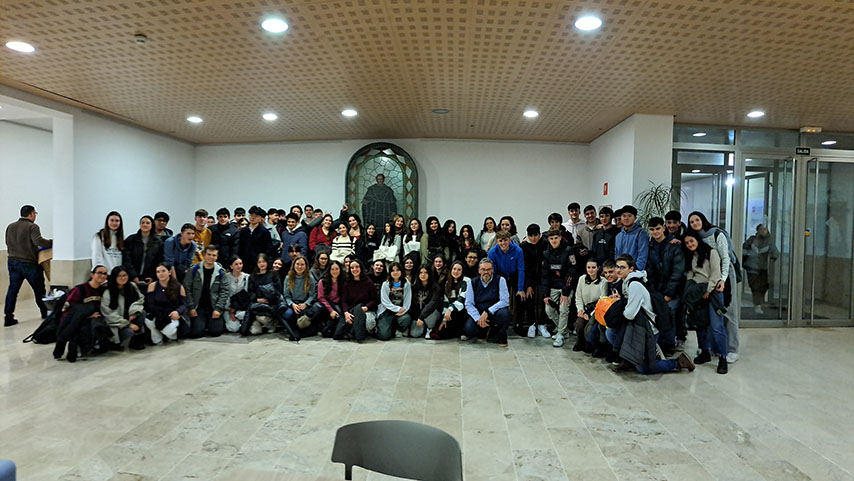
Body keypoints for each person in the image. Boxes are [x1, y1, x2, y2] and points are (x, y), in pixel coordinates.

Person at [608, 255, 695, 374]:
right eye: (617, 266)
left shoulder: (634, 285)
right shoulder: (627, 282)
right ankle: (628, 360)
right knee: (611, 332)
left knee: (645, 368)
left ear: (631, 269)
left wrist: (620, 308)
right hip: (638, 326)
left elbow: (629, 314)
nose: (619, 270)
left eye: (623, 267)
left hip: (647, 329)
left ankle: (678, 362)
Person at [688, 211, 740, 363]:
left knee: (728, 312)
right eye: (691, 222)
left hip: (724, 277)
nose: (695, 223)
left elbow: (726, 258)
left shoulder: (717, 234)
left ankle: (732, 349)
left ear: (703, 220)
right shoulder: (696, 237)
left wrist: (722, 279)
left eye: (697, 220)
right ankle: (711, 347)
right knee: (710, 315)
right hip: (708, 278)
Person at [683, 231, 727, 374]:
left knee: (716, 326)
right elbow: (690, 273)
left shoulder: (711, 252)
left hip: (712, 292)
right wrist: (690, 288)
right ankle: (704, 351)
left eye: (691, 241)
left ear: (698, 240)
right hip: (697, 293)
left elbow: (716, 274)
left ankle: (722, 358)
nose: (690, 244)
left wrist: (707, 290)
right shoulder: (691, 256)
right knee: (700, 324)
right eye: (687, 243)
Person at [4, 204, 52, 325]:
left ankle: (8, 317)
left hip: (12, 262)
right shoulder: (33, 227)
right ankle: (44, 313)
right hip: (29, 263)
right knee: (39, 289)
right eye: (35, 213)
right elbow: (38, 241)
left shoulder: (10, 226)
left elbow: (7, 242)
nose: (35, 216)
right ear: (31, 214)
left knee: (13, 290)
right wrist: (52, 242)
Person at [53, 265, 108, 362]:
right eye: (99, 273)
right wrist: (87, 315)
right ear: (92, 274)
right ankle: (68, 347)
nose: (102, 276)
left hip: (90, 318)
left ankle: (70, 346)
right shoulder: (80, 289)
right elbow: (68, 308)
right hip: (72, 318)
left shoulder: (103, 290)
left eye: (104, 274)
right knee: (77, 323)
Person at [646, 217, 686, 347]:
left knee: (672, 314)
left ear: (663, 228)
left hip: (673, 290)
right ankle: (664, 343)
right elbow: (650, 270)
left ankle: (675, 341)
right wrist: (652, 290)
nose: (655, 232)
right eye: (652, 230)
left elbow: (678, 271)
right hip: (657, 289)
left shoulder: (674, 245)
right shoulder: (650, 246)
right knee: (659, 315)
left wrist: (669, 292)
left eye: (658, 228)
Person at [541, 228, 579, 348]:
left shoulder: (569, 250)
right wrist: (545, 294)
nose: (553, 241)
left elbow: (572, 272)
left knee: (564, 309)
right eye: (551, 238)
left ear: (560, 237)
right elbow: (545, 275)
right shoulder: (546, 253)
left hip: (565, 286)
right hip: (552, 286)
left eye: (556, 238)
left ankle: (560, 334)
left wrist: (565, 291)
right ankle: (564, 329)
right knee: (549, 310)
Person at [183, 244, 229, 338]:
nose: (211, 257)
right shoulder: (194, 270)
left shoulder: (221, 272)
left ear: (217, 257)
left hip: (213, 306)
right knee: (197, 333)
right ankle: (202, 323)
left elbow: (224, 291)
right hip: (198, 306)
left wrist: (218, 309)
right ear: (204, 255)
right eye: (209, 254)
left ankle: (210, 322)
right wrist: (191, 307)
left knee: (216, 332)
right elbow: (186, 289)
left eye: (214, 255)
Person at [464, 258, 511, 347]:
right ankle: (483, 329)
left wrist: (488, 311)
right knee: (469, 328)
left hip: (495, 312)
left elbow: (505, 301)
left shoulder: (500, 280)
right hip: (479, 313)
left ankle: (499, 334)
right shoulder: (472, 283)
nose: (486, 272)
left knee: (505, 314)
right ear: (479, 271)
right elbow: (468, 303)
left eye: (489, 269)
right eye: (483, 270)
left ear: (492, 270)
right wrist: (478, 319)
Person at [488, 230, 525, 335]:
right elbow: (492, 271)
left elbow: (521, 270)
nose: (503, 243)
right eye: (500, 241)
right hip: (500, 274)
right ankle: (495, 325)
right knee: (496, 297)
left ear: (510, 240)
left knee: (521, 297)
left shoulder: (518, 250)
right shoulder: (492, 252)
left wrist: (521, 288)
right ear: (497, 241)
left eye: (505, 240)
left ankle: (519, 325)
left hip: (514, 274)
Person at [101, 266, 146, 350]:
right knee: (129, 331)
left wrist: (134, 311)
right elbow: (108, 314)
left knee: (142, 313)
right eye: (119, 276)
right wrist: (127, 323)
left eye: (125, 275)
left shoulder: (132, 286)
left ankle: (136, 340)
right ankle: (114, 343)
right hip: (117, 323)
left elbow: (140, 299)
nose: (123, 278)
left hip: (130, 316)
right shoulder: (108, 292)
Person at [144, 263, 190, 344]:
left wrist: (177, 312)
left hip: (171, 315)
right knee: (149, 321)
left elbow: (184, 304)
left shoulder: (179, 286)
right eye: (158, 272)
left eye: (163, 271)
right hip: (157, 314)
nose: (160, 274)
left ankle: (171, 336)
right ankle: (158, 340)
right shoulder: (152, 286)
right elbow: (150, 305)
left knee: (169, 331)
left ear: (169, 272)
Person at [335, 259, 377, 342]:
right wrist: (346, 313)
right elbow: (343, 301)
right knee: (337, 335)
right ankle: (353, 332)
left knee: (360, 310)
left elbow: (375, 299)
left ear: (361, 268)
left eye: (357, 267)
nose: (355, 270)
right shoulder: (347, 283)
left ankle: (359, 336)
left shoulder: (368, 282)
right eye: (352, 268)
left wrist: (367, 307)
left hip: (365, 310)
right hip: (351, 310)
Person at [243, 253, 284, 336]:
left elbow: (278, 291)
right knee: (255, 331)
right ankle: (258, 321)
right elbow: (250, 293)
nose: (261, 264)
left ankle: (271, 322)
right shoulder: (252, 277)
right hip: (257, 304)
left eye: (263, 262)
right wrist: (257, 299)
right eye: (259, 262)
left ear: (267, 262)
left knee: (264, 319)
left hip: (270, 304)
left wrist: (270, 297)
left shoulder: (273, 274)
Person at [743, 224, 779, 315]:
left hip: (763, 268)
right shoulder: (752, 239)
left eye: (765, 229)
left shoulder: (769, 241)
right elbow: (743, 248)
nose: (763, 231)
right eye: (761, 229)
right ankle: (757, 305)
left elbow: (774, 250)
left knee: (764, 286)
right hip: (752, 267)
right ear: (757, 231)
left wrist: (773, 257)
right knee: (755, 287)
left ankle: (758, 302)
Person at [520, 224, 549, 338]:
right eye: (531, 236)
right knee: (529, 299)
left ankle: (542, 324)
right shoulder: (523, 246)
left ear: (540, 234)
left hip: (544, 276)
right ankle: (532, 324)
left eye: (536, 235)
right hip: (529, 276)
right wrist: (528, 284)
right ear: (527, 236)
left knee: (544, 301)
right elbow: (524, 267)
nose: (533, 238)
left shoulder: (546, 243)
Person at [573, 259, 608, 352]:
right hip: (584, 308)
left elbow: (602, 300)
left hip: (596, 310)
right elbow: (578, 297)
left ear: (598, 268)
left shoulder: (603, 282)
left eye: (593, 267)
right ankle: (580, 342)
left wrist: (590, 314)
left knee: (590, 327)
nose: (591, 270)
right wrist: (580, 310)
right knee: (579, 324)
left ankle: (591, 343)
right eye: (588, 267)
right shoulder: (582, 279)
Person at [282, 255, 320, 335]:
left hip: (305, 304)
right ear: (294, 265)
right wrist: (292, 304)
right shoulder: (288, 278)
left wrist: (306, 304)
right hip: (292, 304)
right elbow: (286, 295)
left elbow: (312, 295)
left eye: (302, 264)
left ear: (306, 266)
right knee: (287, 314)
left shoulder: (310, 278)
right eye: (297, 264)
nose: (300, 266)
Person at [123, 215, 164, 286]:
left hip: (149, 279)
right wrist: (133, 275)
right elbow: (126, 259)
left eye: (147, 223)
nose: (145, 224)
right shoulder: (131, 239)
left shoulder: (158, 242)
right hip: (131, 278)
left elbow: (158, 261)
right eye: (142, 222)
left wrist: (152, 276)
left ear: (152, 225)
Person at [377, 262, 412, 340]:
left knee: (405, 319)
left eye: (397, 270)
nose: (395, 272)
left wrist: (403, 310)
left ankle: (398, 329)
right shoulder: (385, 284)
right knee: (384, 336)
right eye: (393, 270)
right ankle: (389, 328)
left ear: (401, 271)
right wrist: (397, 309)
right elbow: (385, 301)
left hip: (401, 311)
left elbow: (407, 299)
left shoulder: (406, 283)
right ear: (390, 272)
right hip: (387, 311)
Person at [408, 266, 443, 338]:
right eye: (421, 273)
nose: (423, 275)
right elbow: (413, 304)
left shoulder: (435, 287)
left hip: (431, 313)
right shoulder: (414, 287)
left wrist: (421, 317)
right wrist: (417, 318)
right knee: (414, 334)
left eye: (425, 272)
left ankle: (430, 328)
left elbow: (432, 304)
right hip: (419, 315)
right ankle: (423, 326)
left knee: (430, 314)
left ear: (429, 274)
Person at [437, 261, 468, 340]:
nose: (456, 272)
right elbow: (446, 301)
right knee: (441, 333)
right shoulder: (448, 283)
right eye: (454, 269)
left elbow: (462, 300)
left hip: (462, 311)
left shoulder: (466, 281)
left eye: (459, 270)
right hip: (451, 312)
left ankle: (464, 331)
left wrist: (450, 310)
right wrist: (444, 319)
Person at [614, 205, 649, 270]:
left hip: (635, 272)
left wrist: (636, 271)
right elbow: (617, 255)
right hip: (621, 272)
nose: (626, 218)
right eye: (624, 216)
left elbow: (642, 255)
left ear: (635, 218)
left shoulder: (641, 233)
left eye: (629, 216)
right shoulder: (618, 236)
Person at [315, 261, 344, 338]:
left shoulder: (343, 281)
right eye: (332, 269)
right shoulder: (322, 281)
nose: (335, 271)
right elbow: (321, 298)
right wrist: (331, 310)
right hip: (326, 304)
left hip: (338, 304)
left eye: (337, 269)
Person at [224, 256, 250, 333]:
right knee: (233, 328)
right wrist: (230, 310)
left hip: (241, 307)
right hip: (228, 307)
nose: (239, 266)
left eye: (240, 264)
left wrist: (236, 308)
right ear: (231, 266)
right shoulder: (226, 277)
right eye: (236, 264)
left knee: (244, 316)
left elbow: (246, 295)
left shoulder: (247, 277)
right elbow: (225, 294)